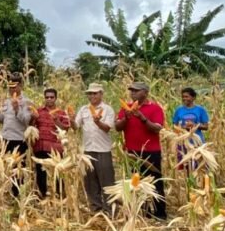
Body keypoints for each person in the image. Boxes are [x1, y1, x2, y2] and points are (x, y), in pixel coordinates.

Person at [115, 82, 167, 220]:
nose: (132, 93)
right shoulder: (126, 108)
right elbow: (118, 127)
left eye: (136, 91)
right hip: (132, 152)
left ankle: (159, 213)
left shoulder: (155, 109)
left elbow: (157, 128)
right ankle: (141, 211)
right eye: (131, 90)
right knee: (135, 183)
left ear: (145, 92)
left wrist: (142, 117)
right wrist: (126, 117)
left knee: (155, 182)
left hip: (151, 151)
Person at [72, 83, 116, 212]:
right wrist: (70, 120)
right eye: (90, 93)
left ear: (101, 94)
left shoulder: (108, 109)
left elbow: (107, 128)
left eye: (95, 93)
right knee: (90, 181)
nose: (92, 96)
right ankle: (95, 207)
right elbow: (76, 127)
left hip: (103, 150)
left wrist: (97, 122)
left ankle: (110, 209)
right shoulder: (84, 109)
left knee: (107, 181)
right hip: (88, 150)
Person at [31, 88, 70, 199]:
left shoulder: (61, 113)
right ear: (44, 98)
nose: (49, 99)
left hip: (56, 147)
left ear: (56, 98)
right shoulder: (38, 111)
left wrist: (57, 120)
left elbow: (65, 129)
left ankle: (60, 195)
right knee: (40, 172)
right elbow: (31, 126)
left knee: (59, 172)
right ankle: (42, 195)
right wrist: (32, 118)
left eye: (51, 97)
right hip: (41, 146)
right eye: (47, 97)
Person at [172, 87, 210, 169]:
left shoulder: (200, 110)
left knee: (199, 166)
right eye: (183, 97)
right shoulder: (179, 110)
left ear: (193, 97)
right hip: (183, 143)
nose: (184, 99)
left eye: (187, 96)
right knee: (185, 167)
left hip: (197, 142)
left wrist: (195, 126)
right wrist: (183, 128)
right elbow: (174, 126)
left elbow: (206, 126)